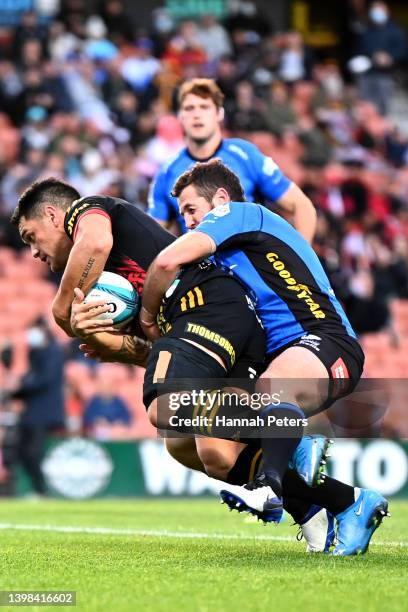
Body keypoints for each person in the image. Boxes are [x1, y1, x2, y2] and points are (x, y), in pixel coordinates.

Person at [12, 176, 364, 554]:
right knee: (204, 449)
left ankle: (280, 433)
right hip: (245, 335)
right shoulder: (147, 273)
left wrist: (64, 313)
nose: (33, 252)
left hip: (272, 325)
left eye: (31, 237)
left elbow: (101, 245)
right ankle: (338, 501)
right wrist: (106, 339)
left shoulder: (96, 212)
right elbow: (143, 350)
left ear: (53, 215)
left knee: (169, 406)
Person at [140, 158, 388, 556]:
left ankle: (269, 483)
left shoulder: (242, 214)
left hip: (324, 340)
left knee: (273, 391)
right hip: (271, 356)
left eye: (190, 209)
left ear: (220, 200)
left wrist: (147, 316)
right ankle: (344, 502)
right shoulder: (217, 264)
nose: (186, 220)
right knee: (199, 447)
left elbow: (166, 260)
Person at [147, 78, 316, 241]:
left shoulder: (245, 154)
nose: (197, 115)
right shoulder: (168, 171)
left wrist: (301, 261)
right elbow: (151, 235)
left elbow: (302, 206)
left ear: (219, 113)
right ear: (180, 117)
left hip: (252, 262)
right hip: (203, 267)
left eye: (204, 107)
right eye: (190, 108)